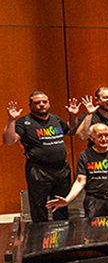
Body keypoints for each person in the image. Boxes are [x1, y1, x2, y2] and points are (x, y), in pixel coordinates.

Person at [4, 92, 80, 222]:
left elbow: (71, 131)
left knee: (61, 205)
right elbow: (9, 141)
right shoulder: (24, 122)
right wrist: (11, 120)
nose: (41, 105)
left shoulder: (55, 119)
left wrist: (73, 116)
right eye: (37, 103)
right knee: (39, 207)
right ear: (30, 105)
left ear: (49, 103)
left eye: (44, 102)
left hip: (61, 170)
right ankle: (40, 239)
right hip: (38, 171)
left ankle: (63, 237)